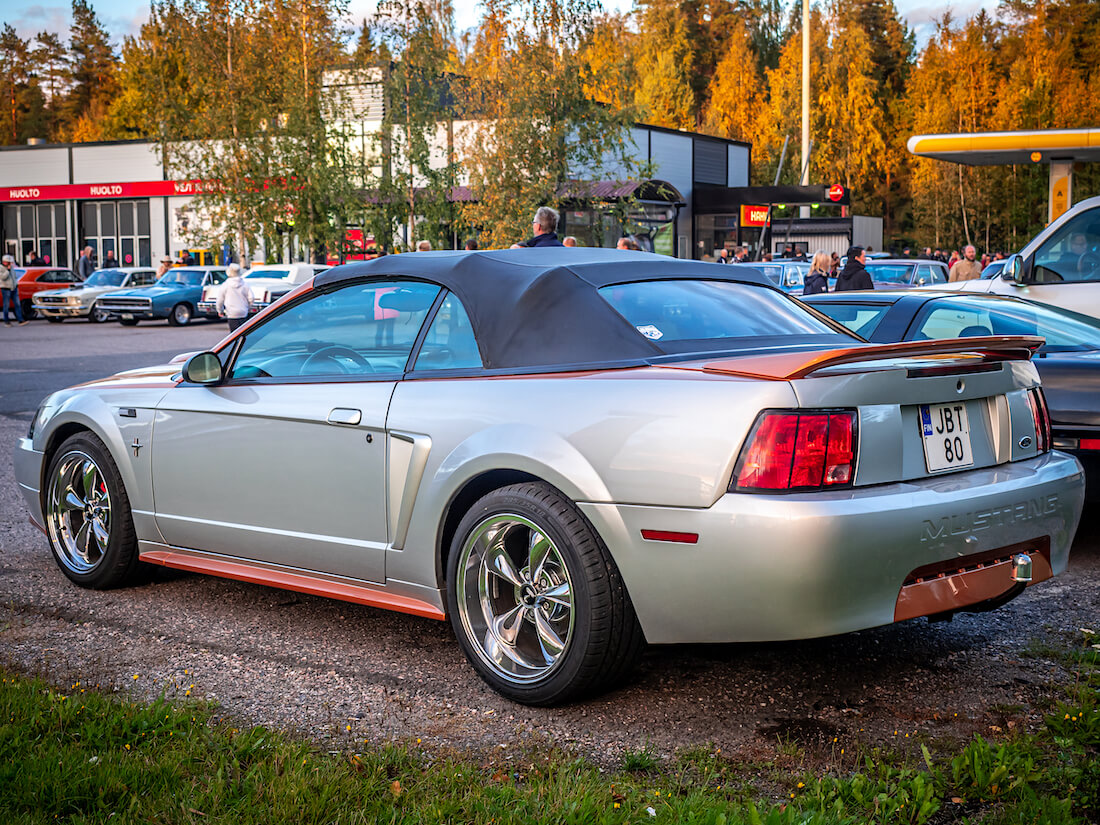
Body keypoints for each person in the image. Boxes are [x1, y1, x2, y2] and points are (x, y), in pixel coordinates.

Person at [216, 263, 253, 331]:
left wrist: (220, 310)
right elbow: (251, 298)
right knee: (243, 333)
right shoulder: (245, 284)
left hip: (231, 313)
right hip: (243, 313)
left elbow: (220, 300)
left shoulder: (225, 285)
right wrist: (248, 307)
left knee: (234, 335)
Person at [0, 254, 28, 325]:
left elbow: (14, 276)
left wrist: (16, 284)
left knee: (17, 304)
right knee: (6, 305)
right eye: (8, 262)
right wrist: (7, 270)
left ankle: (20, 320)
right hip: (5, 288)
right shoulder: (1, 268)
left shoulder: (12, 268)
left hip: (13, 288)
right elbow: (3, 277)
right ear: (4, 262)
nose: (10, 264)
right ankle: (6, 321)